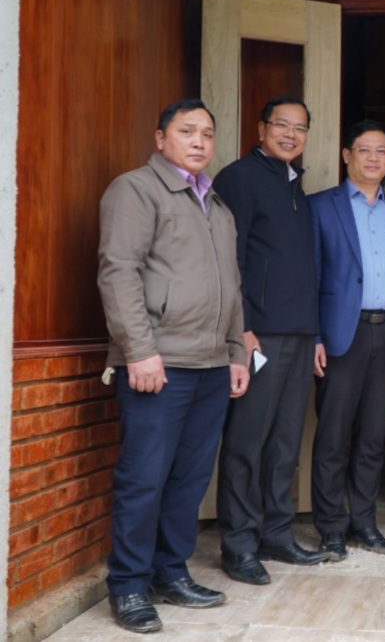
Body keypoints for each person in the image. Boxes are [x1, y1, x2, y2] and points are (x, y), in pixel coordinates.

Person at [97, 99, 249, 634]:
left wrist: (235, 352)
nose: (199, 141)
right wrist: (138, 350)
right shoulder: (136, 189)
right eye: (187, 131)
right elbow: (118, 272)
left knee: (188, 479)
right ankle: (128, 585)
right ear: (161, 138)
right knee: (144, 478)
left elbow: (232, 288)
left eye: (207, 132)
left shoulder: (218, 207)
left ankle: (170, 572)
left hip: (210, 364)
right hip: (159, 363)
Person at [214, 96, 330, 587]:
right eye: (281, 125)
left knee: (284, 443)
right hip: (259, 334)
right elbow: (230, 259)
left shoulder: (295, 185)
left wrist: (315, 333)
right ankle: (239, 544)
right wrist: (241, 329)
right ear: (261, 128)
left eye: (300, 128)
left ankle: (276, 534)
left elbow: (305, 270)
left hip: (299, 335)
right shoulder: (239, 178)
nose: (290, 134)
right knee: (247, 441)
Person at [309, 119, 385, 560]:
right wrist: (314, 336)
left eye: (381, 151)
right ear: (347, 155)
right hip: (343, 335)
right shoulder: (321, 206)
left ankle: (364, 523)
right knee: (333, 436)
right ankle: (331, 526)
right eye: (364, 150)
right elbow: (310, 278)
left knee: (374, 437)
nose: (373, 158)